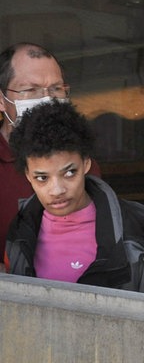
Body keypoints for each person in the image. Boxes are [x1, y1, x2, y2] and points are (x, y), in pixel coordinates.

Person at [4, 101, 144, 295]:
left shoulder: (132, 232)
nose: (56, 190)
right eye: (42, 178)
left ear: (86, 163)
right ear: (28, 175)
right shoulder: (20, 232)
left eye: (69, 173)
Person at [0, 42, 101, 257]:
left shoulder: (80, 160)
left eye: (56, 89)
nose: (46, 100)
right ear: (1, 100)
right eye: (30, 90)